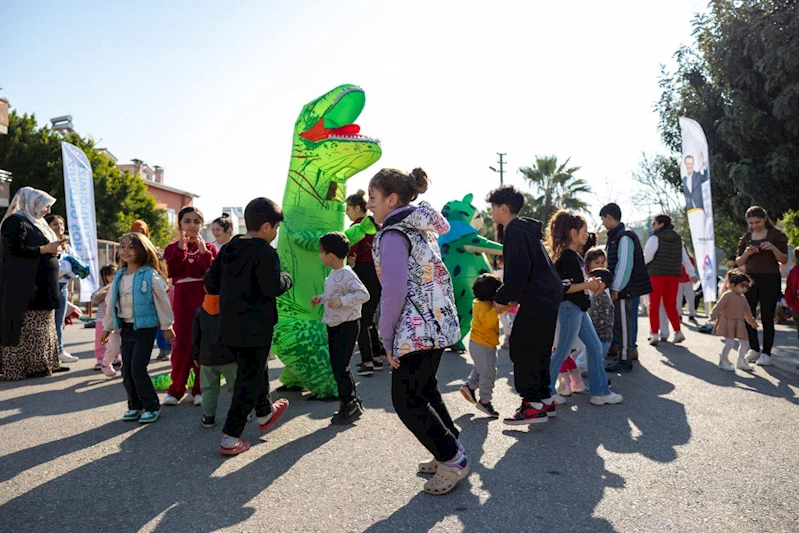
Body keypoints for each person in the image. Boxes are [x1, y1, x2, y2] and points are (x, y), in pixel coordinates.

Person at [369, 168, 467, 496]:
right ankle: (449, 446)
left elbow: (394, 291)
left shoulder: (394, 235)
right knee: (424, 389)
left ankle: (452, 458)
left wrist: (385, 337)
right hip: (437, 324)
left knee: (407, 399)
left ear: (391, 199)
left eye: (372, 198)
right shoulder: (421, 229)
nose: (369, 205)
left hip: (415, 329)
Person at [205, 197, 292, 455]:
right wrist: (287, 279)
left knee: (253, 369)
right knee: (247, 379)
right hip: (256, 327)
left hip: (229, 325)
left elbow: (211, 283)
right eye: (275, 229)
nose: (275, 234)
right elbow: (272, 286)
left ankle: (265, 413)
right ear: (266, 227)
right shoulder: (265, 252)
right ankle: (230, 437)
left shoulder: (230, 248)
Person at [487, 185, 562, 424]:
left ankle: (532, 406)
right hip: (548, 295)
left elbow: (518, 271)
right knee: (539, 349)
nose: (491, 212)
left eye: (493, 207)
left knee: (522, 347)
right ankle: (544, 399)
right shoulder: (527, 230)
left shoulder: (515, 230)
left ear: (504, 208)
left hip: (537, 297)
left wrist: (501, 297)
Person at [547, 210, 622, 407]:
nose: (587, 234)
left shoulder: (574, 257)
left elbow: (573, 284)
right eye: (584, 230)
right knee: (562, 351)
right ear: (573, 232)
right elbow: (564, 287)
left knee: (595, 347)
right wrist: (588, 285)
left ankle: (599, 392)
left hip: (578, 308)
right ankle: (545, 391)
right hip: (570, 308)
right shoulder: (567, 257)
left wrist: (589, 284)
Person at [101, 233, 175, 424]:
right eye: (123, 247)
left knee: (137, 368)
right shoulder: (119, 276)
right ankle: (134, 405)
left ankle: (151, 406)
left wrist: (167, 326)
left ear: (143, 250)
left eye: (131, 247)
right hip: (126, 328)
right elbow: (110, 303)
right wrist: (107, 327)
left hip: (145, 328)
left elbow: (162, 301)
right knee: (126, 370)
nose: (125, 251)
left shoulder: (150, 275)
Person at [0, 187, 70, 380]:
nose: (48, 211)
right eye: (45, 206)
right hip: (25, 286)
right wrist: (43, 249)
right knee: (27, 327)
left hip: (43, 285)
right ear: (31, 202)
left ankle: (44, 364)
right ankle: (21, 368)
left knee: (43, 326)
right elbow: (13, 250)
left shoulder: (36, 223)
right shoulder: (15, 221)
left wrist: (54, 249)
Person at [312, 232, 370, 425]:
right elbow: (334, 294)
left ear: (330, 255)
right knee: (339, 366)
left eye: (321, 252)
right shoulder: (335, 274)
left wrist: (342, 301)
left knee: (340, 367)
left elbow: (363, 294)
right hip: (336, 324)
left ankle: (349, 404)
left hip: (347, 325)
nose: (319, 256)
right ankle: (350, 402)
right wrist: (321, 298)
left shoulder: (346, 273)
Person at [163, 207, 218, 406]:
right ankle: (176, 388)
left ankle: (200, 389)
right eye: (187, 221)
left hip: (204, 299)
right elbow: (170, 270)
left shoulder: (210, 248)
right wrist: (181, 249)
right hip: (181, 300)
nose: (192, 225)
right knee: (181, 344)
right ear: (179, 225)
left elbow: (214, 273)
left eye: (196, 221)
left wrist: (204, 254)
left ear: (202, 226)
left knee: (203, 344)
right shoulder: (171, 248)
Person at [600, 203, 652, 373]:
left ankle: (624, 359)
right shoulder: (618, 236)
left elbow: (624, 265)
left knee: (623, 324)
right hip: (624, 288)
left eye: (603, 219)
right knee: (621, 323)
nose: (602, 223)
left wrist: (616, 287)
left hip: (625, 289)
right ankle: (621, 356)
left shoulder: (623, 236)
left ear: (609, 216)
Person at [735, 206, 789, 366]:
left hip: (770, 278)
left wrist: (772, 248)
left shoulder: (777, 235)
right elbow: (739, 262)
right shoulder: (746, 237)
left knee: (767, 316)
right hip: (749, 280)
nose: (754, 225)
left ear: (765, 219)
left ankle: (766, 353)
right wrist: (747, 253)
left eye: (757, 222)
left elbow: (784, 259)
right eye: (750, 223)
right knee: (748, 314)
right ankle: (754, 348)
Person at [345, 190, 384, 376]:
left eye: (348, 208)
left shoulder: (357, 228)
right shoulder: (377, 226)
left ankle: (367, 362)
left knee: (361, 319)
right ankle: (376, 357)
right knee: (369, 320)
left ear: (357, 208)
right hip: (378, 275)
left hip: (362, 273)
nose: (346, 212)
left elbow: (349, 252)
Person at [643, 213, 698, 346]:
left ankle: (655, 333)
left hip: (656, 275)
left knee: (654, 305)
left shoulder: (655, 238)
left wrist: (640, 267)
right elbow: (685, 259)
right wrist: (692, 273)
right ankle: (678, 332)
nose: (653, 226)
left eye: (654, 223)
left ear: (661, 224)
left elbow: (647, 257)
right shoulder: (678, 240)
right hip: (673, 276)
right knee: (671, 305)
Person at [459, 273, 503, 418]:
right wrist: (497, 309)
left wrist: (506, 306)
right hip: (482, 344)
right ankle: (485, 401)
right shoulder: (483, 306)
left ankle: (470, 386)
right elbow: (487, 322)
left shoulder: (481, 303)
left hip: (480, 344)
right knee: (489, 373)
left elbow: (496, 310)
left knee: (481, 367)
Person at [192, 290, 237, 429]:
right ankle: (240, 415)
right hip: (230, 357)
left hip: (207, 358)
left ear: (205, 289)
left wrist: (195, 355)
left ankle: (208, 417)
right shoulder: (231, 308)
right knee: (235, 388)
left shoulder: (200, 311)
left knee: (208, 389)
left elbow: (195, 336)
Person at [44, 214, 80, 364]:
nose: (59, 227)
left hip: (63, 286)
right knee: (47, 321)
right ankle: (49, 352)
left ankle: (59, 350)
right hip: (48, 286)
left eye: (61, 224)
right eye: (55, 224)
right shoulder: (46, 243)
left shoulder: (67, 246)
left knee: (59, 321)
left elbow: (75, 266)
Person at [710, 271, 759, 371]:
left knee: (745, 343)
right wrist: (712, 316)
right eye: (743, 285)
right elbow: (718, 306)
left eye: (747, 286)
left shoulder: (743, 298)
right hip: (728, 322)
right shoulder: (727, 295)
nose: (745, 289)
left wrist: (751, 321)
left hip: (739, 323)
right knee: (730, 343)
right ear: (732, 285)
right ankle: (723, 360)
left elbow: (747, 311)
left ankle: (741, 361)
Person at [91, 264, 119, 370]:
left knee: (115, 340)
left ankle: (114, 358)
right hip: (101, 320)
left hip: (115, 319)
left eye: (115, 274)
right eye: (110, 275)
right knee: (101, 340)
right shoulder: (102, 289)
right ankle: (100, 359)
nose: (113, 277)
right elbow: (94, 298)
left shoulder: (119, 288)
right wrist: (104, 292)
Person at [785, 247, 799, 347]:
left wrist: (790, 305)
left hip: (796, 307)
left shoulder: (793, 272)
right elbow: (788, 291)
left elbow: (788, 291)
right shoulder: (793, 272)